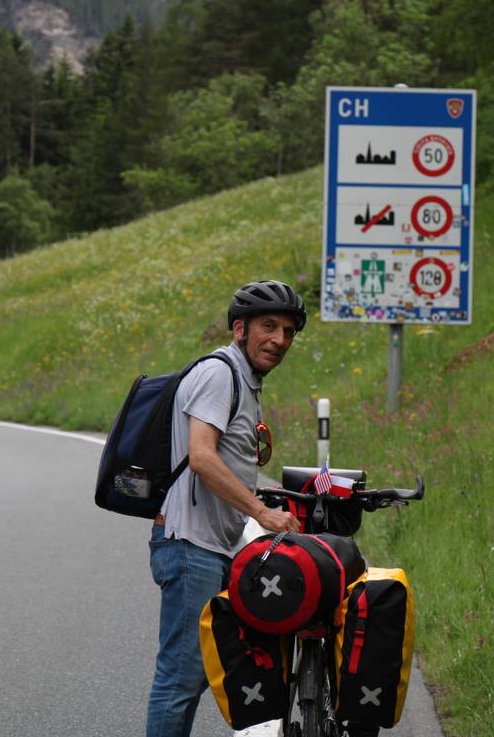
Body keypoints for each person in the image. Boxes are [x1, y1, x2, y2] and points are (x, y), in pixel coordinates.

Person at [145, 279, 306, 737]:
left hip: (213, 546)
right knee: (179, 678)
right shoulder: (221, 372)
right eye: (268, 326)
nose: (279, 340)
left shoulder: (244, 380)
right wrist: (262, 512)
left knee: (193, 678)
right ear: (240, 328)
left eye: (289, 331)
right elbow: (202, 456)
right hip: (189, 545)